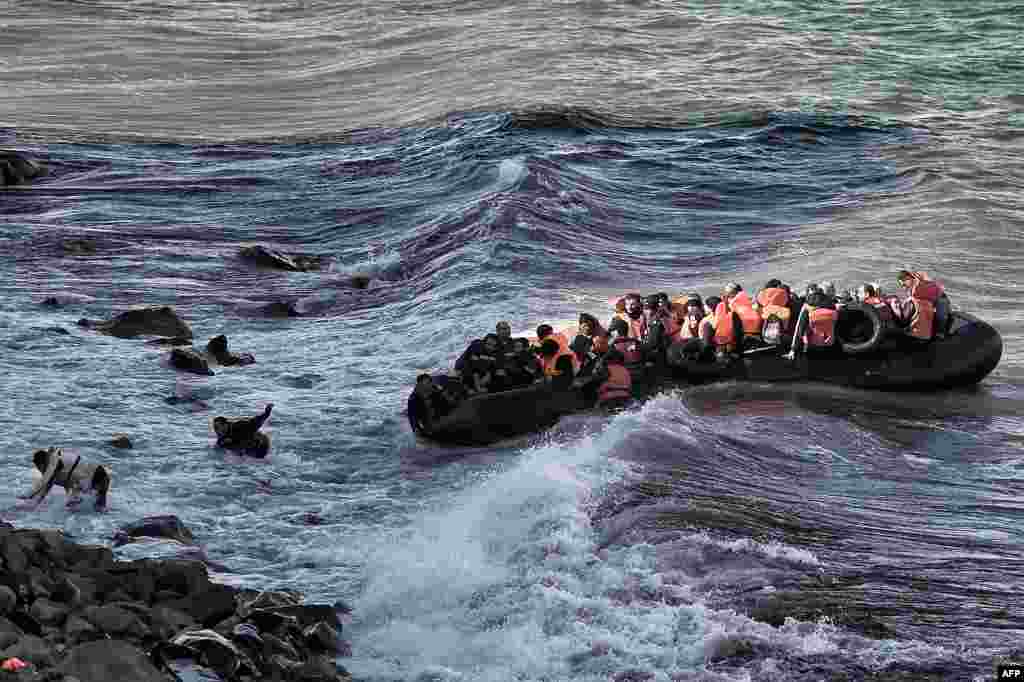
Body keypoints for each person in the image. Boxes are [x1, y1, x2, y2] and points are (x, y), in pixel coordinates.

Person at [784, 291, 838, 359]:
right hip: (830, 345)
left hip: (811, 346)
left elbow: (799, 329)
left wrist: (793, 349)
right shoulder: (833, 308)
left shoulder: (807, 309)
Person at [896, 270, 948, 338]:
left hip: (940, 297)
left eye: (904, 284)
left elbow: (932, 282)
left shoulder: (919, 277)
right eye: (901, 285)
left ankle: (940, 333)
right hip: (928, 299)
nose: (903, 287)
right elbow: (910, 296)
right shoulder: (911, 288)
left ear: (908, 278)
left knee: (941, 316)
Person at [722, 282, 763, 350]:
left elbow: (727, 313)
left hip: (745, 330)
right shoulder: (745, 296)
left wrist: (725, 302)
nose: (726, 293)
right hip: (755, 328)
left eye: (727, 292)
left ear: (733, 291)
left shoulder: (735, 301)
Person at [754, 279, 792, 345]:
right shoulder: (783, 295)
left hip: (763, 335)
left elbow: (756, 306)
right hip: (781, 335)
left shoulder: (761, 295)